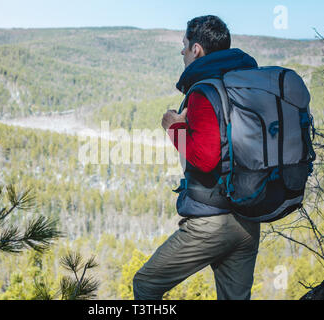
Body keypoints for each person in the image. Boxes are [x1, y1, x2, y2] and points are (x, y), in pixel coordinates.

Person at [133, 15, 261, 300]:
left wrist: (173, 126)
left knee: (145, 285)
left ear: (197, 50)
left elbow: (205, 160)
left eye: (184, 45)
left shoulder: (204, 91)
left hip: (213, 221)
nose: (182, 51)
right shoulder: (245, 87)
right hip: (250, 217)